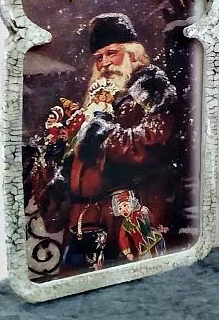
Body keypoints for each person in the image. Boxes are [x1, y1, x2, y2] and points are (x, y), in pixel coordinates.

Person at [65, 13, 177, 265]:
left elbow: (149, 143)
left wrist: (103, 132)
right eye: (99, 57)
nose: (104, 63)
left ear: (132, 54)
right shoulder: (100, 94)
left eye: (112, 53)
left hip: (132, 210)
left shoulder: (152, 88)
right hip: (90, 215)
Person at [111, 189, 167, 261]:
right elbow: (122, 238)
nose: (123, 209)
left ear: (132, 204)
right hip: (143, 248)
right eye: (120, 208)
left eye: (125, 205)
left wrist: (159, 227)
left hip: (156, 240)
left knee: (161, 259)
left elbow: (152, 221)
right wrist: (128, 253)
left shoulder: (140, 212)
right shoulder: (125, 223)